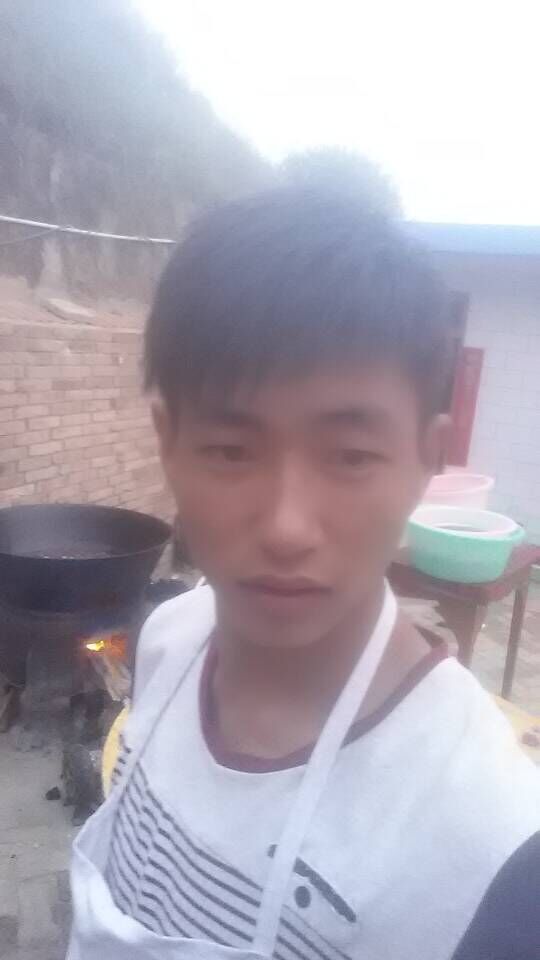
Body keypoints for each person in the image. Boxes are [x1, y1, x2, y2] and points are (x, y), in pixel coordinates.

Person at [68, 168, 540, 960]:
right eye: (231, 450)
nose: (287, 527)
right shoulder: (168, 642)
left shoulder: (493, 846)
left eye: (350, 455)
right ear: (167, 443)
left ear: (427, 458)